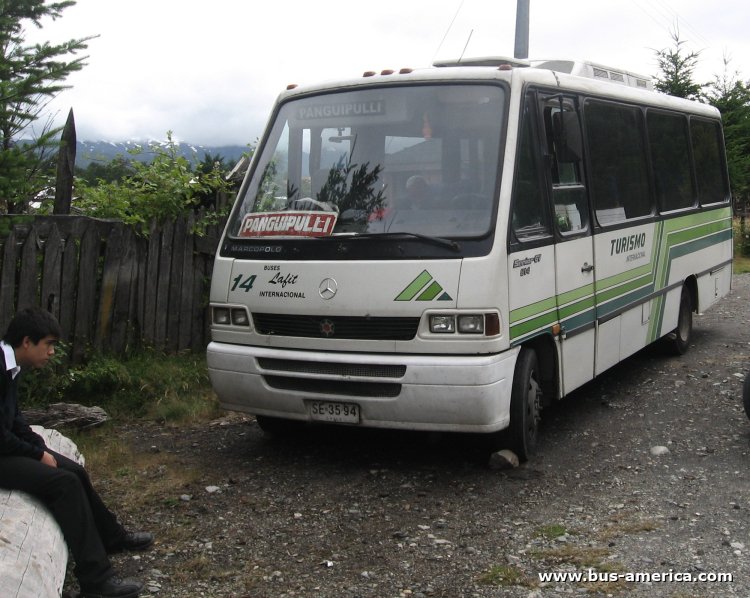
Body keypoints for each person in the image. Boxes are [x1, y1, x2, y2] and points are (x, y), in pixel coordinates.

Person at [0, 307, 153, 598]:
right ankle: (96, 582)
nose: (52, 352)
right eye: (49, 344)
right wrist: (36, 456)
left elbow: (14, 417)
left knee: (73, 469)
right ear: (27, 342)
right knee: (64, 484)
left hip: (5, 447)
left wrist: (40, 446)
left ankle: (112, 537)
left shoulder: (12, 364)